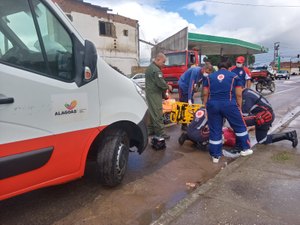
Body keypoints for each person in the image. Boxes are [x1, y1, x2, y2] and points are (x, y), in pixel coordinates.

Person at [202, 59, 253, 163]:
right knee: (239, 126)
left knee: (215, 129)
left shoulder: (210, 77)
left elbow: (205, 93)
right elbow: (239, 94)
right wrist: (239, 106)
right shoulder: (234, 77)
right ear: (230, 68)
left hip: (213, 105)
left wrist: (206, 106)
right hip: (229, 104)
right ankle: (245, 149)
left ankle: (215, 156)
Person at [178, 64, 213, 130]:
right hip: (183, 86)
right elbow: (191, 84)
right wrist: (189, 99)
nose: (207, 74)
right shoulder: (195, 71)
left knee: (191, 107)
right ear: (203, 69)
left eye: (209, 73)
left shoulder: (204, 75)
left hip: (190, 88)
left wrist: (206, 98)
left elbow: (205, 86)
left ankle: (191, 123)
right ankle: (184, 125)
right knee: (184, 105)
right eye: (207, 72)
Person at [145, 52, 172, 140]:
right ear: (158, 59)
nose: (164, 64)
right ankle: (160, 133)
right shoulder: (156, 70)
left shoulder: (150, 67)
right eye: (163, 62)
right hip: (154, 94)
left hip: (150, 93)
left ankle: (151, 129)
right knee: (157, 113)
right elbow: (161, 83)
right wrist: (168, 86)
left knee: (152, 112)